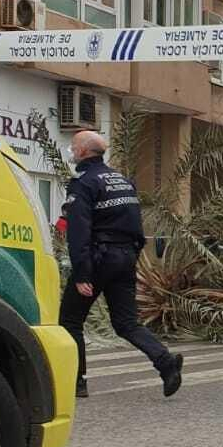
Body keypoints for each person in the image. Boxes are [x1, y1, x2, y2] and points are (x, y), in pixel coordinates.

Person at [58, 129, 183, 399]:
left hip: (98, 259)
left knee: (70, 321)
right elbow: (136, 225)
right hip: (125, 257)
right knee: (126, 323)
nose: (71, 150)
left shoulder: (84, 183)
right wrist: (131, 255)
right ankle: (166, 363)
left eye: (73, 146)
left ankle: (76, 382)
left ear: (82, 152)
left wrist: (82, 273)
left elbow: (78, 231)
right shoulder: (122, 180)